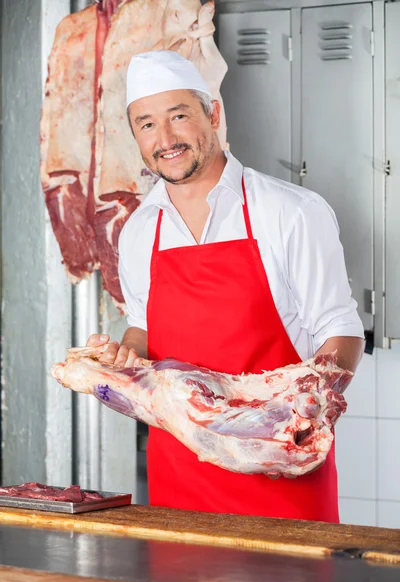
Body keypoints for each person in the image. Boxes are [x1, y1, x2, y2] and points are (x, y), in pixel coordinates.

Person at [88, 50, 365, 522]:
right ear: (134, 135)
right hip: (180, 479)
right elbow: (142, 328)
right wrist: (123, 356)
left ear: (212, 114)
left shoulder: (290, 212)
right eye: (147, 124)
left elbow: (339, 328)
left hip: (281, 473)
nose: (166, 139)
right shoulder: (138, 231)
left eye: (179, 116)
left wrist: (305, 409)